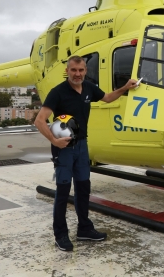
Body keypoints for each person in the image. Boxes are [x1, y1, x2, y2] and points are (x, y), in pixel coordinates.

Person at [34, 55, 138, 251]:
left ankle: (84, 229)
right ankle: (61, 235)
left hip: (82, 146)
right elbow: (40, 120)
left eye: (81, 70)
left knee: (83, 189)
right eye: (73, 70)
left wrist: (125, 88)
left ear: (85, 71)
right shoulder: (58, 92)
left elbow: (107, 98)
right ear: (67, 71)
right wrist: (55, 141)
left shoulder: (89, 88)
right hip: (63, 148)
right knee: (63, 193)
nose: (77, 74)